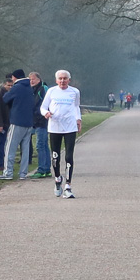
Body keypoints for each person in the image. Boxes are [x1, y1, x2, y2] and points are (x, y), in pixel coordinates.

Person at [41, 70, 81, 199]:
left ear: (69, 80)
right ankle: (58, 178)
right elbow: (43, 107)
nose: (62, 81)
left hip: (70, 127)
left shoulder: (74, 92)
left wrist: (78, 119)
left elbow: (76, 107)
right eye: (60, 79)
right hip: (54, 127)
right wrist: (46, 113)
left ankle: (68, 186)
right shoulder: (51, 91)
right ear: (56, 80)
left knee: (69, 156)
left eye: (65, 79)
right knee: (55, 156)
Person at [0, 69, 33, 180]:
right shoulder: (29, 87)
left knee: (10, 147)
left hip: (17, 121)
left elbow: (5, 98)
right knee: (25, 149)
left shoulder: (17, 87)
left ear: (14, 77)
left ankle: (8, 173)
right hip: (29, 122)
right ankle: (23, 173)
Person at [29, 72, 51, 178]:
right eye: (30, 79)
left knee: (40, 145)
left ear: (39, 79)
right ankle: (47, 169)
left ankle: (42, 169)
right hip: (37, 121)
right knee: (44, 145)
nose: (31, 81)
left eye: (33, 79)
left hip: (42, 121)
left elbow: (46, 104)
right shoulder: (34, 90)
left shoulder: (43, 89)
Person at [0, 76, 13, 172]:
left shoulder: (10, 95)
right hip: (2, 124)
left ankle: (5, 162)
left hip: (8, 122)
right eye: (8, 85)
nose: (10, 87)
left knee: (7, 144)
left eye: (12, 85)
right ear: (4, 85)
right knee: (1, 143)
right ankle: (0, 163)